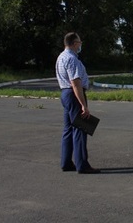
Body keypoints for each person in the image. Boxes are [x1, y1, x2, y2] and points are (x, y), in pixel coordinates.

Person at [55, 32, 100, 174]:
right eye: (79, 42)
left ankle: (66, 162)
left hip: (65, 94)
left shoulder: (61, 57)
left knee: (68, 129)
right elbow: (75, 83)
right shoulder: (72, 59)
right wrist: (83, 105)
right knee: (81, 128)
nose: (81, 44)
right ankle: (82, 164)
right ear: (74, 43)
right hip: (74, 94)